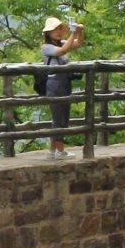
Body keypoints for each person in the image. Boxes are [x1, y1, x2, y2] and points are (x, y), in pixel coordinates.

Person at [38, 16, 86, 158]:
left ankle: (52, 151)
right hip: (54, 84)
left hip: (64, 82)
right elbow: (63, 51)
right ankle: (60, 151)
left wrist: (79, 31)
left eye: (59, 29)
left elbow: (78, 43)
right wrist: (73, 33)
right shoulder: (46, 47)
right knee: (58, 118)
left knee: (62, 117)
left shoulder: (61, 43)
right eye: (55, 30)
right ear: (48, 33)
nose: (58, 32)